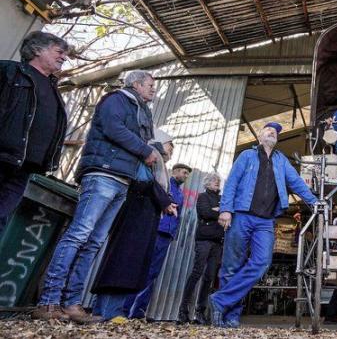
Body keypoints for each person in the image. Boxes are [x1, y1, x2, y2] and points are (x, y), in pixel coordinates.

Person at [32, 70, 159, 323]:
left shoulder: (141, 110)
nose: (153, 90)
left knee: (93, 242)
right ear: (136, 84)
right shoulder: (117, 100)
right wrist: (145, 150)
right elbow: (113, 128)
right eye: (150, 85)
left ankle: (71, 304)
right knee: (79, 235)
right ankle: (48, 301)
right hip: (104, 174)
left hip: (123, 179)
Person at [210, 122, 319, 328]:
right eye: (268, 130)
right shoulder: (247, 156)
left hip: (266, 220)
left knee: (261, 263)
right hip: (242, 215)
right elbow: (232, 181)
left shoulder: (281, 160)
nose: (272, 132)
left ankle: (220, 300)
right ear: (259, 136)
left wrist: (314, 201)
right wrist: (225, 208)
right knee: (232, 265)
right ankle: (228, 315)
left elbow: (296, 182)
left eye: (276, 131)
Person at [90, 129, 177, 321]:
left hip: (140, 212)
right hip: (138, 212)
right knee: (125, 261)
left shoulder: (155, 159)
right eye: (171, 146)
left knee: (122, 260)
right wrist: (165, 200)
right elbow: (147, 181)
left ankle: (103, 310)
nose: (172, 152)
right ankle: (111, 311)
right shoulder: (150, 155)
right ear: (161, 142)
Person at [0, 32, 69, 234]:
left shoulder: (54, 90)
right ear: (38, 49)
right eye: (59, 52)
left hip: (24, 168)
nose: (64, 57)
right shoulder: (8, 71)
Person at [126, 162, 191, 318]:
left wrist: (173, 232)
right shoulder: (165, 184)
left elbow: (178, 215)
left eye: (188, 174)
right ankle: (125, 308)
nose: (186, 176)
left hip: (166, 235)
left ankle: (138, 311)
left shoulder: (181, 194)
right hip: (156, 231)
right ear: (175, 171)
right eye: (184, 172)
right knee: (142, 269)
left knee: (153, 273)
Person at [178, 172, 225, 324]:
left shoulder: (221, 199)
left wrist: (218, 211)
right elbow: (205, 212)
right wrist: (217, 212)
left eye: (218, 181)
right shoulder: (203, 197)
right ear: (207, 183)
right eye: (214, 181)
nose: (217, 182)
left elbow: (226, 213)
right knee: (197, 272)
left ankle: (200, 311)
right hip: (204, 240)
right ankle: (183, 310)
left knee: (210, 276)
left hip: (217, 241)